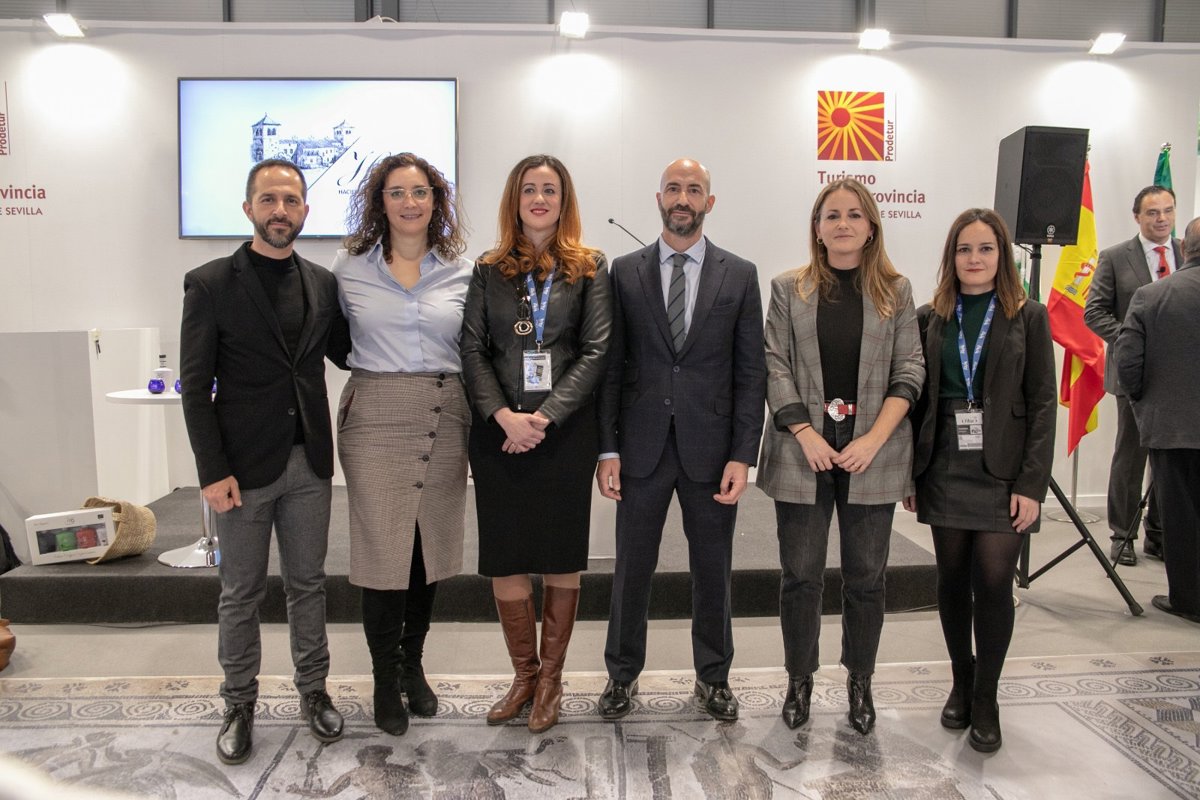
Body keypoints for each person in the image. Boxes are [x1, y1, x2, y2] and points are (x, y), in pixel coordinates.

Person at [179, 158, 349, 765]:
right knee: (241, 592)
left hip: (310, 463)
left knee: (308, 585)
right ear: (248, 208)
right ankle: (239, 703)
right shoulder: (209, 284)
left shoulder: (322, 283)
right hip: (241, 470)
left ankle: (314, 691)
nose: (281, 211)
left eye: (291, 201)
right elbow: (194, 387)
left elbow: (349, 352)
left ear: (306, 211)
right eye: (269, 200)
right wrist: (211, 472)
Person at [597, 158, 766, 723]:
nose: (683, 198)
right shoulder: (625, 272)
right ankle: (621, 675)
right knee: (632, 568)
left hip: (712, 452)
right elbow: (612, 367)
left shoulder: (739, 274)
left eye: (694, 190)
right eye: (674, 188)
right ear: (659, 198)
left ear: (709, 202)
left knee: (713, 569)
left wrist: (743, 454)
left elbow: (751, 374)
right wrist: (608, 448)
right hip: (640, 448)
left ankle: (713, 678)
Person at [757, 178, 923, 736]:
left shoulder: (896, 291)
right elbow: (774, 363)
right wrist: (804, 432)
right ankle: (799, 679)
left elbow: (910, 370)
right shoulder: (788, 288)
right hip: (802, 452)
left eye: (854, 214)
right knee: (801, 576)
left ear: (871, 226)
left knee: (867, 578)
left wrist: (873, 439)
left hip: (872, 453)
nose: (843, 223)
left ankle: (860, 681)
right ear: (818, 227)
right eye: (832, 215)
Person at [460, 154, 612, 733]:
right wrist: (505, 416)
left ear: (564, 199)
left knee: (560, 554)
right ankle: (523, 676)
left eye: (550, 189)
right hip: (499, 434)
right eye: (529, 189)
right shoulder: (488, 269)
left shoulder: (590, 267)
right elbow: (472, 349)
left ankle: (551, 680)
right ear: (515, 199)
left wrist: (543, 418)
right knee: (505, 554)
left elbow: (596, 351)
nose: (540, 199)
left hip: (564, 433)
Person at [903, 208, 1056, 753]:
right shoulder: (929, 317)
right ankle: (961, 682)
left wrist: (1031, 485)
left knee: (992, 582)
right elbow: (915, 403)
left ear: (1002, 255)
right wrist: (911, 474)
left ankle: (987, 697)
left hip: (1004, 469)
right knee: (951, 578)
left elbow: (1043, 403)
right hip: (944, 461)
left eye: (985, 248)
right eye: (964, 249)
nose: (974, 258)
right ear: (951, 256)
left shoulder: (1028, 316)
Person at [331, 153, 472, 735]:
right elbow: (334, 340)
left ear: (436, 201)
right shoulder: (347, 269)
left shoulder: (463, 271)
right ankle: (384, 679)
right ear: (379, 201)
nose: (409, 203)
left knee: (425, 551)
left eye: (420, 192)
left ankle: (413, 665)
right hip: (376, 418)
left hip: (444, 414)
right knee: (383, 551)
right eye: (396, 192)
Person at [1083, 185, 1181, 565]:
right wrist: (1134, 340)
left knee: (1170, 460)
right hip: (1133, 373)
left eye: (1168, 211)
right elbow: (1094, 312)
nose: (1162, 219)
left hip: (1180, 376)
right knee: (1131, 456)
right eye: (1153, 212)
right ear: (1137, 216)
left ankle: (1160, 534)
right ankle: (1122, 535)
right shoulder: (1114, 257)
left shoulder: (1187, 253)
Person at [1115, 216, 1200, 625]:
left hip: (1172, 427)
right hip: (1173, 424)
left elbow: (1128, 364)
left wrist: (1143, 403)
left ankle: (1188, 599)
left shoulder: (1151, 296)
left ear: (1185, 247)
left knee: (1181, 518)